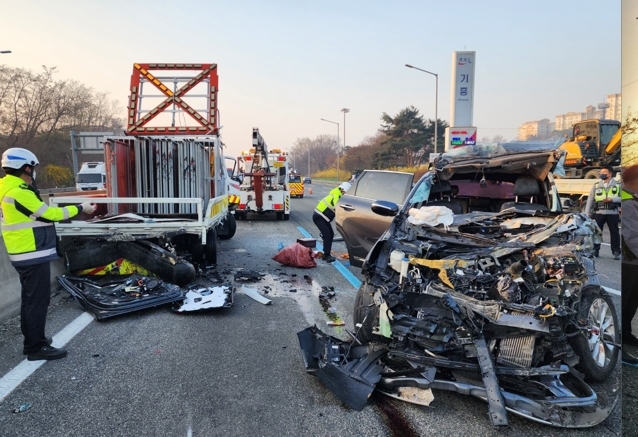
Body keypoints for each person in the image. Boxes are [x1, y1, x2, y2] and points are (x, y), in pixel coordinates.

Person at [0, 148, 96, 361]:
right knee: (37, 301)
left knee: (29, 299)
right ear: (26, 168)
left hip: (22, 252)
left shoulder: (5, 187)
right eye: (32, 168)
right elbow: (50, 215)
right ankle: (36, 347)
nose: (33, 172)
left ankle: (32, 342)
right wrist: (81, 207)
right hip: (31, 253)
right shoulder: (19, 191)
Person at [585, 166, 621, 259]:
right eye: (601, 173)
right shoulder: (596, 185)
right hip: (599, 213)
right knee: (596, 233)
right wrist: (587, 213)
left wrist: (612, 199)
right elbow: (590, 199)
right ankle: (595, 250)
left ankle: (616, 252)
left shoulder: (618, 184)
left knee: (614, 233)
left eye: (604, 173)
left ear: (610, 174)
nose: (602, 174)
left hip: (612, 213)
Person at [621, 163, 638, 365]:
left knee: (633, 301)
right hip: (629, 261)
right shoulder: (626, 199)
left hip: (634, 261)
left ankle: (627, 334)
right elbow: (631, 235)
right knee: (625, 301)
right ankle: (620, 348)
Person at [313, 181, 351, 263]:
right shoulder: (336, 196)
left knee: (331, 234)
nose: (345, 195)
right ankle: (326, 255)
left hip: (323, 218)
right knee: (327, 235)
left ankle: (325, 253)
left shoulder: (338, 194)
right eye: (345, 193)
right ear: (342, 190)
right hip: (319, 217)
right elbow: (338, 207)